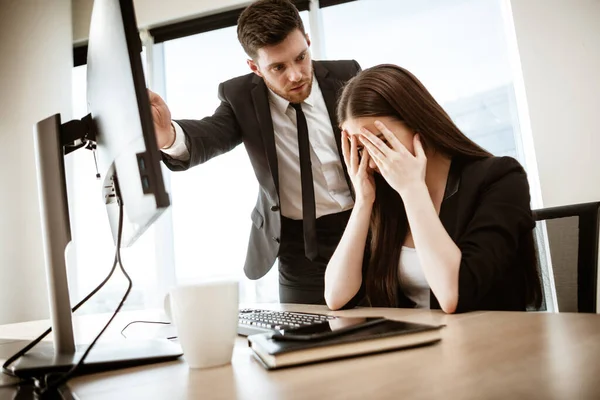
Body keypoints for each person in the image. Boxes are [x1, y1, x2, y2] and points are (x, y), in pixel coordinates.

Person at [149, 0, 361, 304]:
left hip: (365, 228)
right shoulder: (240, 98)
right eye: (278, 67)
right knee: (303, 342)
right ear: (255, 67)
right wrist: (167, 135)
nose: (296, 75)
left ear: (308, 41)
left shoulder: (347, 75)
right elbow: (211, 134)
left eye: (301, 57)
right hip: (299, 249)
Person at [324, 64, 542, 313]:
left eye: (381, 142)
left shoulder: (500, 178)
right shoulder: (385, 195)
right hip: (414, 344)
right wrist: (363, 201)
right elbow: (336, 296)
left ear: (418, 124)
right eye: (362, 149)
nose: (372, 161)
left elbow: (453, 296)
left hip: (487, 342)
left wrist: (413, 190)